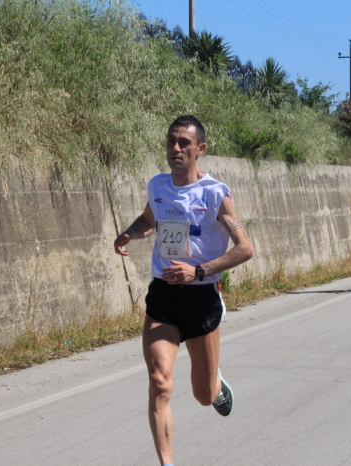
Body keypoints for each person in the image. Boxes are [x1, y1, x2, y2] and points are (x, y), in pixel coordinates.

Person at [114, 115, 253, 466]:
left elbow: (245, 248)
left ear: (200, 149)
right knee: (159, 381)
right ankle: (167, 462)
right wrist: (129, 232)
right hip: (163, 294)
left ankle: (217, 385)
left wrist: (199, 270)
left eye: (184, 143)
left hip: (202, 297)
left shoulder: (216, 194)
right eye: (171, 142)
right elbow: (150, 220)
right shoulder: (158, 187)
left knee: (204, 396)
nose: (175, 149)